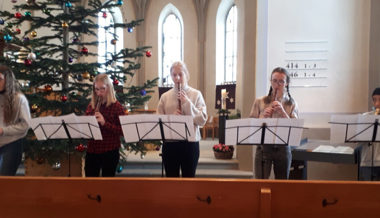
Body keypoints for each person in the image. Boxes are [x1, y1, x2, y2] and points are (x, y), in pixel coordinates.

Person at [157, 61, 207, 177]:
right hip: (170, 145)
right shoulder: (165, 96)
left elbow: (202, 119)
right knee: (171, 180)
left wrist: (187, 103)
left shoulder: (196, 94)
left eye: (181, 74)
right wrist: (171, 118)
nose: (177, 78)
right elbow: (158, 120)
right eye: (174, 75)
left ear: (186, 74)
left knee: (189, 180)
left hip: (190, 144)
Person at [249, 67, 299, 179]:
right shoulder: (260, 101)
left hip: (283, 148)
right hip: (263, 148)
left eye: (281, 81)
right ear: (271, 81)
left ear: (287, 83)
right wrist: (262, 116)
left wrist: (283, 112)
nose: (277, 84)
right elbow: (250, 125)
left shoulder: (292, 103)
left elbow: (295, 128)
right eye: (275, 81)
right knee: (260, 183)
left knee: (281, 186)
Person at [85, 73, 125, 177]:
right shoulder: (91, 106)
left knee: (107, 185)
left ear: (109, 88)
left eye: (102, 89)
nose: (99, 93)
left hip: (109, 150)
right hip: (92, 150)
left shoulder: (117, 107)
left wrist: (104, 123)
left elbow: (123, 131)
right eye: (96, 89)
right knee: (90, 183)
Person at [0, 65, 31, 176]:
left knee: (4, 181)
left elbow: (25, 125)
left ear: (8, 80)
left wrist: (3, 130)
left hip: (11, 144)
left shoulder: (19, 99)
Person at [359, 87, 380, 180]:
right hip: (367, 162)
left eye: (379, 100)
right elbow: (358, 139)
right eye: (374, 100)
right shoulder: (365, 117)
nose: (377, 104)